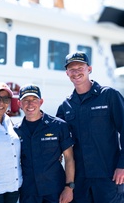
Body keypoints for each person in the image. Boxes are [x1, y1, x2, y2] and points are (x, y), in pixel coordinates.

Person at [56, 52, 124, 203]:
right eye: (72, 69)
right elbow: (58, 140)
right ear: (67, 73)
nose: (76, 72)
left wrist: (122, 165)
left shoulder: (109, 95)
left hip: (109, 175)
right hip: (80, 179)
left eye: (80, 67)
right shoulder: (65, 106)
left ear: (89, 69)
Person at [14, 84, 75, 203]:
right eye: (25, 100)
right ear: (19, 104)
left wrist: (69, 188)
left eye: (34, 100)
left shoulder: (58, 126)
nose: (30, 104)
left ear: (41, 102)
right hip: (28, 192)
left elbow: (69, 158)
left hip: (55, 191)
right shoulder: (15, 131)